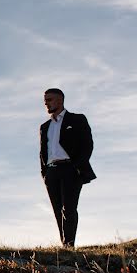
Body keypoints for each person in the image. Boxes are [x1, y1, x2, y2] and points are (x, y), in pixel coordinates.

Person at [40, 88, 96, 247]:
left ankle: (69, 244)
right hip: (51, 171)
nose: (46, 103)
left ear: (60, 100)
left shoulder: (77, 119)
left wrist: (77, 166)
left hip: (70, 169)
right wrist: (45, 173)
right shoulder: (44, 127)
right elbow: (42, 152)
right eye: (45, 100)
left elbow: (88, 145)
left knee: (69, 208)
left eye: (49, 99)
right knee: (57, 210)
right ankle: (64, 245)